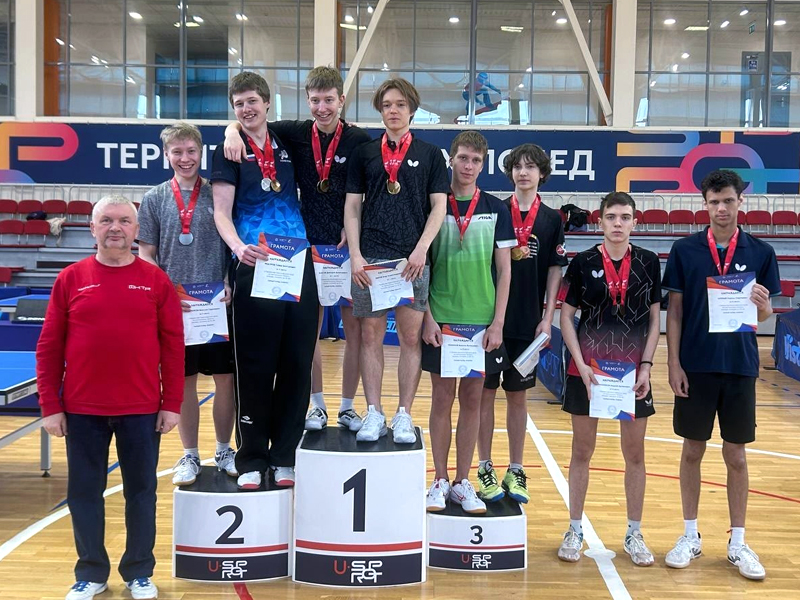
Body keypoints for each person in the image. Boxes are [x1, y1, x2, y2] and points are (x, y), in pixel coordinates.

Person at [36, 195, 183, 600]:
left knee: (142, 494)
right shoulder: (70, 279)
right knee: (83, 494)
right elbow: (49, 347)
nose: (115, 228)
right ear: (92, 228)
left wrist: (172, 403)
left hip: (142, 409)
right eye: (106, 221)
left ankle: (139, 571)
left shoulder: (156, 281)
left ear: (136, 230)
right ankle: (91, 572)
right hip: (82, 410)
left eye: (123, 221)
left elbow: (173, 346)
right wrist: (50, 406)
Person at [222, 66, 371, 433]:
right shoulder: (295, 132)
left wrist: (353, 228)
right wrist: (230, 130)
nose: (322, 107)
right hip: (304, 247)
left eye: (329, 100)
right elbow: (250, 121)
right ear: (307, 101)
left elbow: (370, 190)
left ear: (342, 100)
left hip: (347, 244)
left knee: (354, 331)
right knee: (310, 333)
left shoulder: (360, 139)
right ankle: (316, 405)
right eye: (315, 100)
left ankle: (348, 406)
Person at [662, 169, 780, 580]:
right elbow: (675, 312)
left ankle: (738, 542)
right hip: (695, 366)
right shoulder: (685, 250)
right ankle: (689, 535)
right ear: (705, 205)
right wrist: (673, 363)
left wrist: (764, 306)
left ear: (740, 201)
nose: (722, 208)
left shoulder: (762, 251)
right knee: (691, 451)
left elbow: (765, 315)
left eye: (728, 200)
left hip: (739, 366)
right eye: (714, 202)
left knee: (736, 455)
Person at [211, 72, 318, 489]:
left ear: (268, 103)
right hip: (254, 262)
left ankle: (285, 454)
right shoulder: (229, 150)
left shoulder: (286, 139)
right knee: (255, 364)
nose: (246, 109)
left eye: (252, 101)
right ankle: (252, 456)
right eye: (238, 104)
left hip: (296, 261)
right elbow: (221, 213)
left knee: (296, 362)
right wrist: (239, 248)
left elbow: (324, 124)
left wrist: (233, 127)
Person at [557, 192, 661, 566]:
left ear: (635, 222)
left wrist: (646, 365)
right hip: (587, 372)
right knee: (581, 451)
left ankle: (634, 533)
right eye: (612, 217)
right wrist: (580, 364)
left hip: (632, 373)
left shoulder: (649, 262)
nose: (618, 223)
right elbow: (566, 316)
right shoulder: (582, 262)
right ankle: (574, 529)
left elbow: (655, 319)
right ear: (600, 221)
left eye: (625, 217)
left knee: (635, 454)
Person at [344, 78, 449, 443]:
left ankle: (404, 413)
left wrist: (421, 249)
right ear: (380, 110)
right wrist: (355, 255)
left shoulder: (432, 155)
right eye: (387, 104)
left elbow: (439, 206)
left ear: (412, 109)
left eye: (400, 104)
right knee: (370, 336)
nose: (393, 110)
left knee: (409, 338)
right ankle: (374, 412)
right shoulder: (365, 154)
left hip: (411, 261)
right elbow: (352, 207)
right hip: (371, 259)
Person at [138, 122, 236, 486]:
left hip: (217, 305)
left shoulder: (219, 193)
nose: (185, 158)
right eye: (177, 152)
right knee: (184, 383)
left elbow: (233, 243)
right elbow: (146, 254)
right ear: (166, 155)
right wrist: (164, 293)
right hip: (176, 308)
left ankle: (224, 449)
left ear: (201, 152)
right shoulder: (154, 198)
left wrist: (229, 281)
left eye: (191, 151)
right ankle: (190, 454)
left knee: (226, 381)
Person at [422, 131, 515, 514]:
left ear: (483, 164)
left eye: (476, 160)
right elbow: (422, 265)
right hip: (442, 320)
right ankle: (440, 479)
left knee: (473, 401)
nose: (468, 165)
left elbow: (505, 271)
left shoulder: (496, 208)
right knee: (442, 399)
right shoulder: (435, 204)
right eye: (463, 158)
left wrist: (498, 323)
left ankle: (463, 481)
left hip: (481, 323)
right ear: (451, 159)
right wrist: (427, 316)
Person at [478, 143, 567, 504]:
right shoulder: (496, 211)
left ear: (542, 174)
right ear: (510, 172)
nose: (524, 172)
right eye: (518, 166)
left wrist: (547, 318)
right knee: (484, 395)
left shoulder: (551, 219)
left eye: (531, 167)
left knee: (517, 398)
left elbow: (555, 270)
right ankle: (484, 466)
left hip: (529, 325)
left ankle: (515, 469)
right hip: (491, 321)